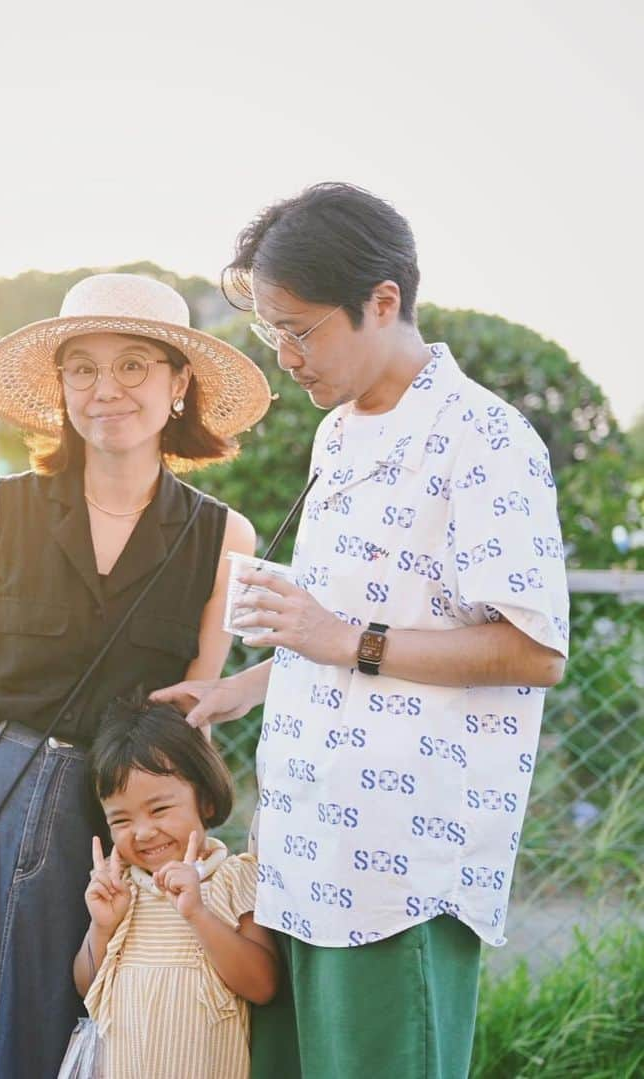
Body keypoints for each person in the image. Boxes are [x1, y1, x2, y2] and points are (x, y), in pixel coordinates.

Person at [154, 183, 570, 1079]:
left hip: (399, 871)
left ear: (383, 301)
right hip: (298, 854)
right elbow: (339, 630)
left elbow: (535, 649)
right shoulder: (337, 435)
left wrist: (344, 637)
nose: (287, 357)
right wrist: (244, 686)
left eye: (300, 330)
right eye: (273, 333)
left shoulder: (487, 438)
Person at [0, 272, 270, 1079]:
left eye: (133, 366)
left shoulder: (224, 538)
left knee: (56, 1034)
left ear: (179, 383)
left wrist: (175, 871)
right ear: (60, 385)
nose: (103, 388)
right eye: (81, 366)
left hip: (94, 843)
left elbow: (183, 729)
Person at [73, 697, 278, 1079]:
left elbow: (263, 984)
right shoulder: (123, 890)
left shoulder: (233, 877)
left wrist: (197, 914)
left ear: (205, 799)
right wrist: (101, 927)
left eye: (160, 809)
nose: (144, 831)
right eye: (121, 819)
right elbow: (88, 987)